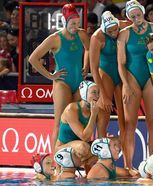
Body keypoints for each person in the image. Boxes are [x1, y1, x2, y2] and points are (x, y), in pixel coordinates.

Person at [117, 0, 153, 174]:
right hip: (131, 77)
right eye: (132, 16)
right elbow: (121, 62)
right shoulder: (124, 33)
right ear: (128, 17)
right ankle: (128, 166)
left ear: (143, 13)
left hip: (151, 78)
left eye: (138, 15)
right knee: (129, 123)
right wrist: (125, 84)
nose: (136, 19)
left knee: (152, 123)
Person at [28, 4, 90, 151]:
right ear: (65, 22)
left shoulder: (81, 34)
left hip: (78, 82)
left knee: (77, 121)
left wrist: (86, 66)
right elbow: (33, 59)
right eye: (72, 23)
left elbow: (89, 49)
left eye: (78, 23)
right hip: (62, 83)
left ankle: (73, 158)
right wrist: (50, 75)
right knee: (59, 122)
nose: (76, 27)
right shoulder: (55, 38)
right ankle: (55, 164)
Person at [90, 11, 127, 165]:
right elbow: (94, 68)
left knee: (124, 120)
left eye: (115, 30)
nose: (113, 33)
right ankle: (101, 161)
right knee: (103, 120)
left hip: (121, 74)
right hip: (106, 74)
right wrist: (103, 95)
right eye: (110, 31)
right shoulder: (97, 37)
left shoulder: (124, 26)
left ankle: (127, 162)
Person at [54, 80, 102, 179]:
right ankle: (62, 168)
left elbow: (100, 137)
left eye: (98, 93)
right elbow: (85, 137)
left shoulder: (97, 110)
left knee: (109, 145)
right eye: (93, 92)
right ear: (84, 93)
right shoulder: (71, 109)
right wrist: (93, 116)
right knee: (83, 147)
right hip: (63, 147)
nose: (97, 96)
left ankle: (88, 168)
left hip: (82, 147)